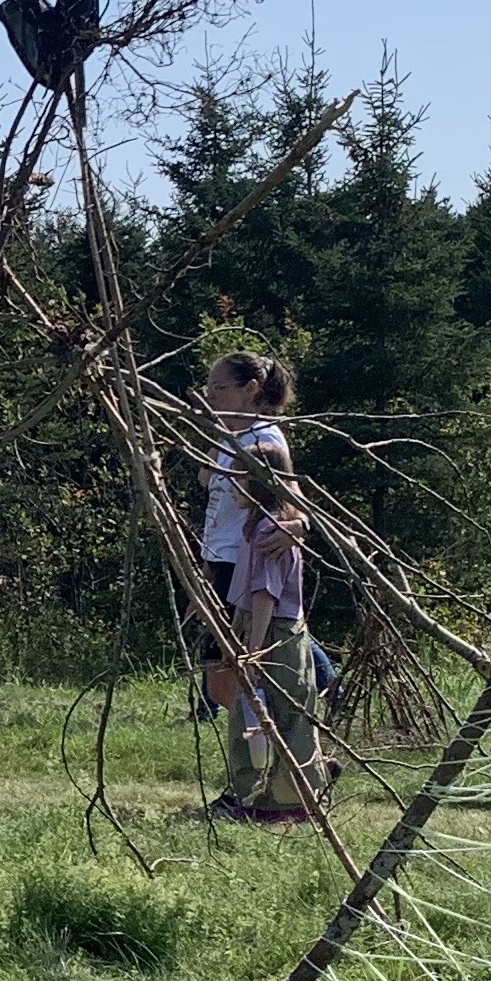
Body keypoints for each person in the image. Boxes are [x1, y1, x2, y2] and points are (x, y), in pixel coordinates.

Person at [196, 351, 297, 817]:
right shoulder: (230, 436)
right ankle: (271, 768)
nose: (210, 394)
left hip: (246, 564)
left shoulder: (263, 438)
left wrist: (298, 527)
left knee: (237, 673)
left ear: (251, 390)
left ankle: (255, 782)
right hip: (219, 558)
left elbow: (290, 500)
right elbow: (207, 479)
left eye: (220, 387)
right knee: (221, 676)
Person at [223, 430, 320, 822]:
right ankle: (253, 793)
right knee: (248, 715)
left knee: (287, 712)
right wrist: (233, 626)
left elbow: (266, 595)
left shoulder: (270, 530)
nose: (232, 486)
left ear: (259, 482)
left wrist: (254, 650)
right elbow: (247, 592)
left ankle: (292, 801)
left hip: (276, 632)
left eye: (239, 478)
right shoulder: (253, 525)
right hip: (256, 625)